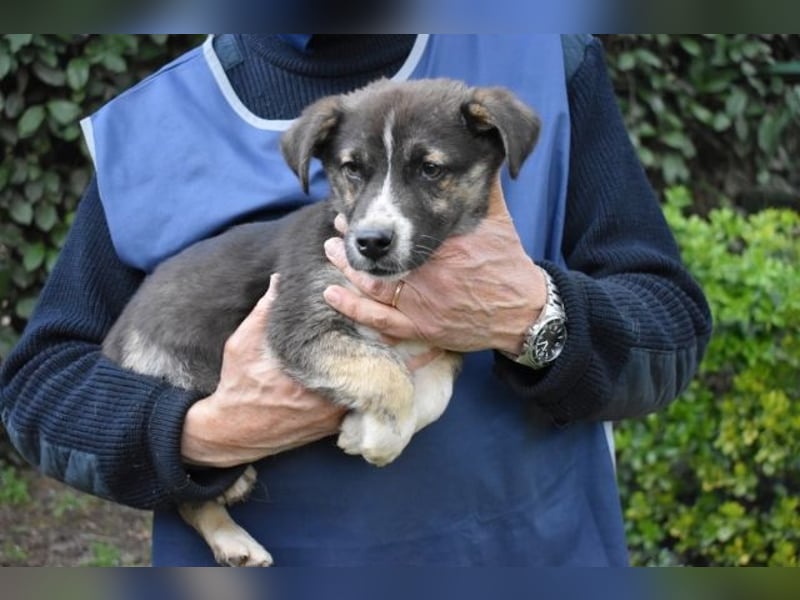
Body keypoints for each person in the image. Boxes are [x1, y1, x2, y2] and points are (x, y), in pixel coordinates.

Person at [0, 34, 712, 566]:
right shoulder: (147, 127)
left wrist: (535, 316)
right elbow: (40, 389)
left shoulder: (541, 56)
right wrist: (202, 432)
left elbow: (669, 323)